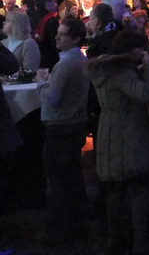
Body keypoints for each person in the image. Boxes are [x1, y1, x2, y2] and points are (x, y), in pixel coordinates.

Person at [86, 30, 149, 255]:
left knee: (115, 191)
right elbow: (143, 93)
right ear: (131, 49)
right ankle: (139, 243)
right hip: (128, 132)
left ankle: (115, 240)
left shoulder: (104, 68)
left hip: (108, 129)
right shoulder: (122, 72)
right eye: (141, 48)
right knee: (138, 188)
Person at [35, 16, 90, 244]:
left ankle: (59, 232)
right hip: (75, 124)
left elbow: (53, 98)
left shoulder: (66, 63)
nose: (57, 37)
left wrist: (41, 82)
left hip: (61, 127)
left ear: (75, 38)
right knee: (73, 179)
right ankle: (78, 227)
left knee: (57, 181)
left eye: (63, 34)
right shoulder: (80, 60)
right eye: (58, 33)